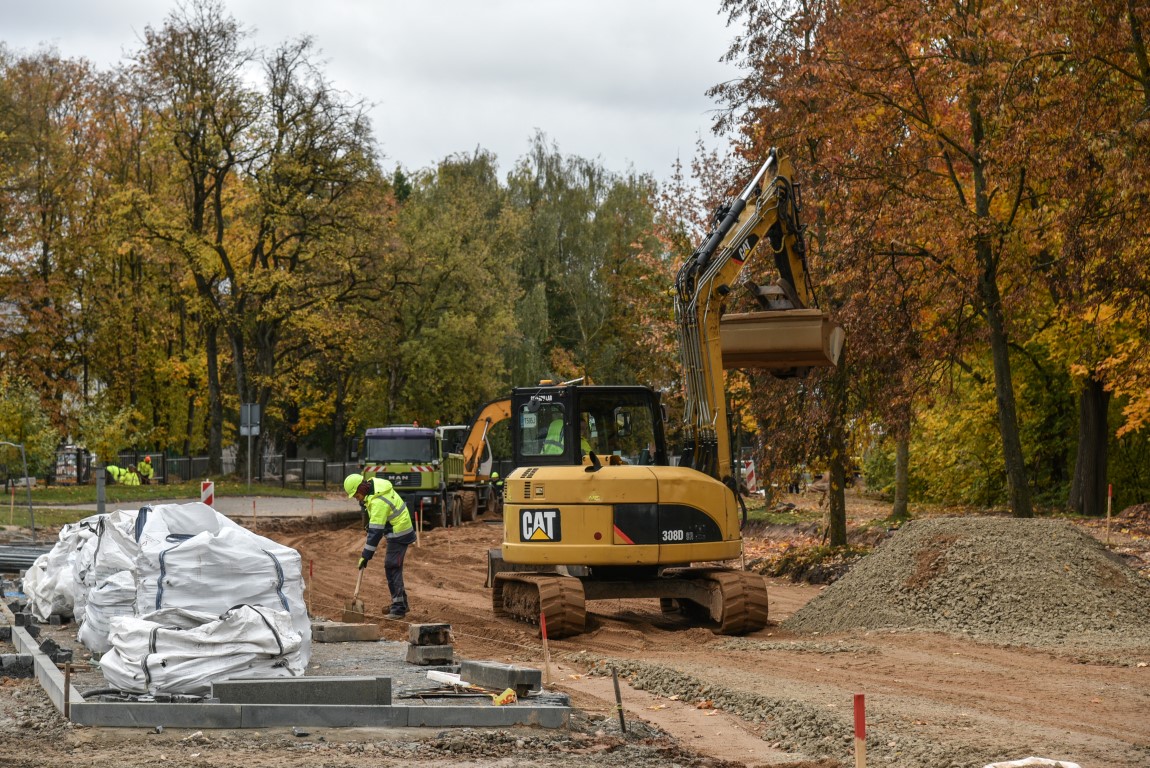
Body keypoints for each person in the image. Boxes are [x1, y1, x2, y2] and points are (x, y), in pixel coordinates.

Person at [344, 472, 417, 619]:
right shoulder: (374, 487)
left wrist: (365, 556)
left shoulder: (378, 501)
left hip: (400, 532)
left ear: (362, 488)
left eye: (356, 495)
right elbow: (377, 520)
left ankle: (398, 608)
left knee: (392, 566)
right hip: (397, 529)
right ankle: (401, 603)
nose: (357, 499)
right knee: (392, 566)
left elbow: (375, 533)